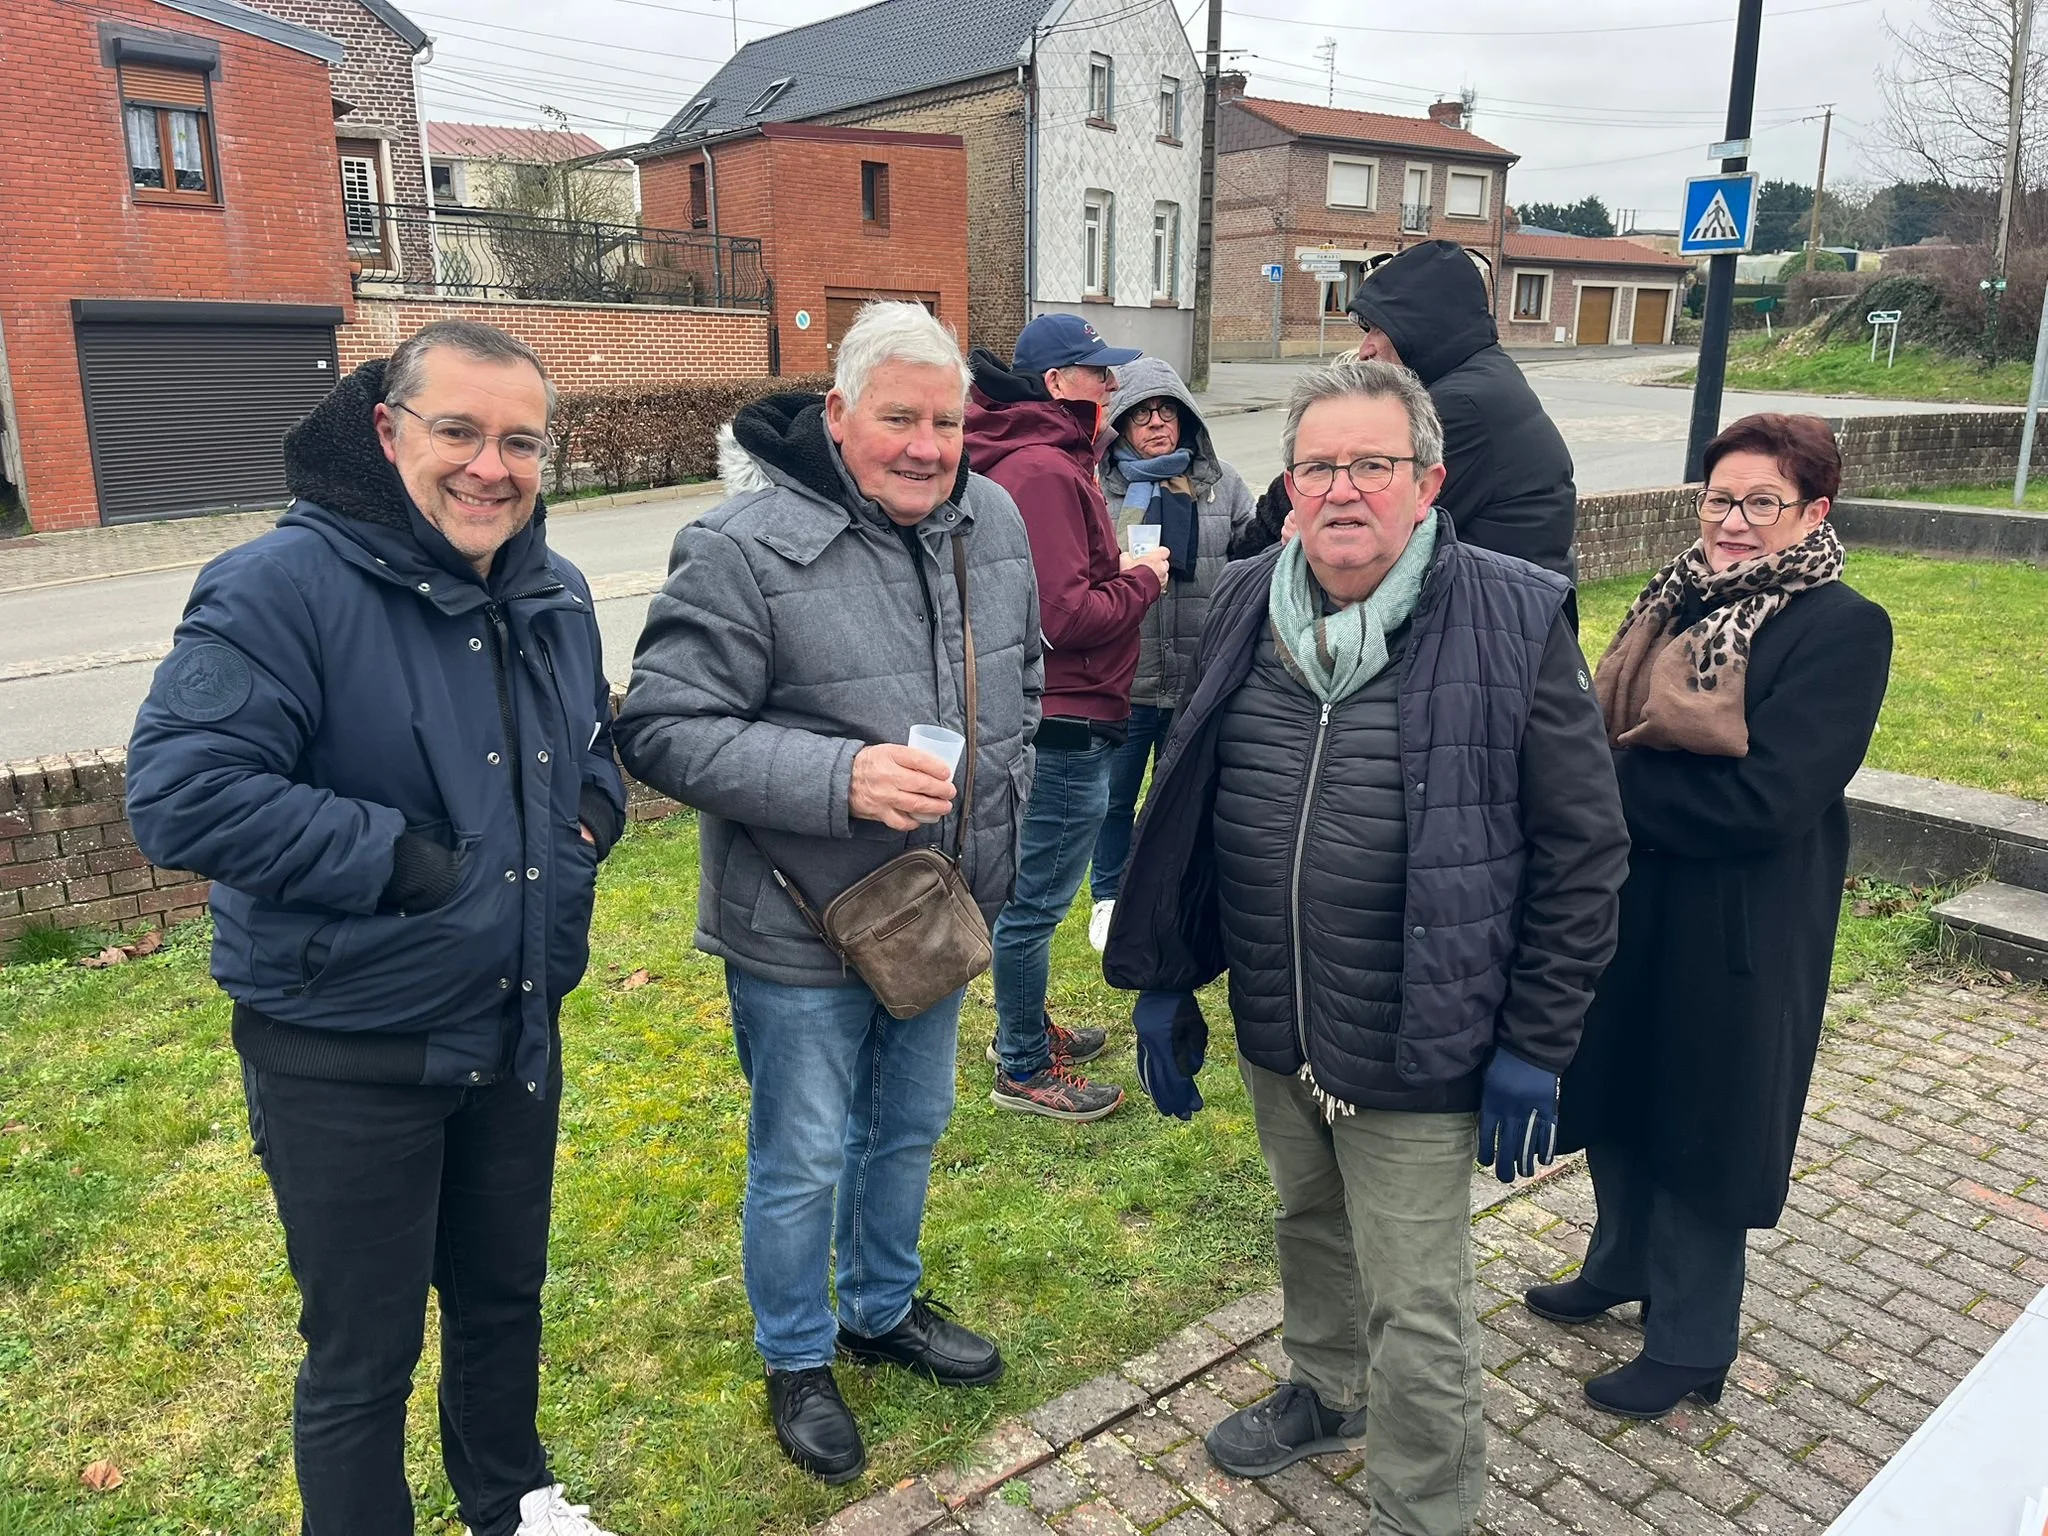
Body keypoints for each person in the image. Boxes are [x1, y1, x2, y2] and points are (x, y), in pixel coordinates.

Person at [1104, 359, 1629, 1536]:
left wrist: (1533, 1044)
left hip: (1419, 1029)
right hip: (1279, 1007)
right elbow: (1191, 802)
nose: (1343, 490)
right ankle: (1325, 1391)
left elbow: (1583, 849)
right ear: (1288, 486)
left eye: (1372, 466)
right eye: (1318, 466)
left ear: (1427, 482)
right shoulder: (1247, 597)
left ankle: (1421, 1507)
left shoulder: (1510, 611)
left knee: (1418, 1302)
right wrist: (1165, 976)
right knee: (1306, 1227)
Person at [125, 320, 626, 1536]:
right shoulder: (278, 586)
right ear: (387, 429)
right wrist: (404, 865)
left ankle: (512, 1501)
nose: (488, 467)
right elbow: (181, 791)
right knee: (364, 1354)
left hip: (512, 1023)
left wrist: (586, 826)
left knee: (504, 1297)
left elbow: (592, 743)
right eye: (457, 430)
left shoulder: (549, 589)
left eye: (519, 441)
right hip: (347, 1045)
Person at [613, 302, 1042, 1484]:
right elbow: (656, 728)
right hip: (802, 918)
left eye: (945, 421)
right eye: (897, 417)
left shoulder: (990, 517)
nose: (924, 444)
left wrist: (1003, 799)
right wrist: (839, 776)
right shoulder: (740, 544)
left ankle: (880, 1306)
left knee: (909, 1126)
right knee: (802, 1152)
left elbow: (1020, 674)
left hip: (939, 903)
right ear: (839, 414)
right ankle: (796, 1354)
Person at [1538, 413, 1893, 1419]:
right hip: (1631, 902)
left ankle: (1692, 1340)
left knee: (1700, 1125)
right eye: (1716, 499)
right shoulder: (1675, 599)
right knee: (1613, 1097)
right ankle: (1617, 1265)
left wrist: (1598, 785)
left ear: (1811, 512)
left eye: (1758, 503)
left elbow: (1767, 800)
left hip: (1738, 925)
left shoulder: (1839, 627)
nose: (1731, 522)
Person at [965, 314, 1169, 1122]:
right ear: (1057, 385)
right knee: (1037, 900)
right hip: (1064, 716)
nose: (1114, 386)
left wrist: (1108, 569)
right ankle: (1020, 1064)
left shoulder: (1035, 459)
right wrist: (1143, 579)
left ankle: (1021, 1026)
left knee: (1032, 893)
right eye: (1098, 373)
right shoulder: (1045, 469)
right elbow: (1060, 617)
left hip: (1058, 710)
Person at [1086, 355, 1259, 951]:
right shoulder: (1096, 492)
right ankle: (1108, 894)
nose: (1157, 424)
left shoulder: (1224, 485)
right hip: (1126, 679)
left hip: (1197, 676)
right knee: (1113, 797)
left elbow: (1250, 557)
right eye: (1141, 415)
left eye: (1167, 412)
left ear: (1186, 418)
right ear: (1121, 424)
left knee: (1182, 794)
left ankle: (1174, 888)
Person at [1345, 239, 1579, 581]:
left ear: (1423, 324)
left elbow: (1380, 538)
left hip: (1494, 617)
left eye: (1380, 329)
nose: (1365, 350)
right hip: (1515, 607)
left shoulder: (1460, 407)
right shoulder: (1484, 377)